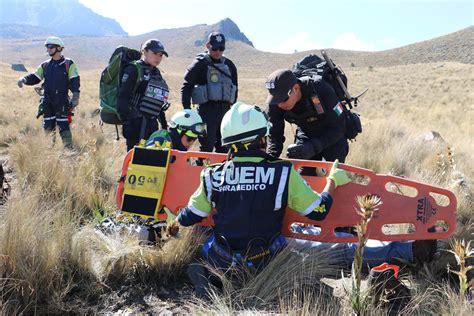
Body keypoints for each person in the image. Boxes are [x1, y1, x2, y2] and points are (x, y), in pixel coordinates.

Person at [172, 102, 436, 297]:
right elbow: (319, 211)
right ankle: (407, 248)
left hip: (222, 256)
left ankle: (217, 277)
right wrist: (332, 181)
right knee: (340, 248)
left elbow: (189, 216)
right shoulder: (282, 173)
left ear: (229, 143)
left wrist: (173, 220)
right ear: (262, 139)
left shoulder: (212, 176)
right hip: (269, 259)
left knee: (206, 235)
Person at [264, 69, 348, 173]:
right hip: (306, 134)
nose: (279, 104)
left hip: (332, 134)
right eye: (275, 100)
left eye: (283, 99)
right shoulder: (275, 104)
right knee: (303, 178)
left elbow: (340, 127)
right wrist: (269, 162)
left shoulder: (320, 89)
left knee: (335, 177)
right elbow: (275, 137)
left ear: (296, 88)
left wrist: (313, 147)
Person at [17, 36, 80, 148]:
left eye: (51, 46)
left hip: (61, 100)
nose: (48, 49)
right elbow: (35, 77)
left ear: (59, 48)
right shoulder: (45, 65)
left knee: (63, 125)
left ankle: (69, 151)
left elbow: (75, 81)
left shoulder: (68, 64)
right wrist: (24, 79)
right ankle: (49, 152)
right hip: (47, 101)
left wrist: (75, 97)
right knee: (48, 127)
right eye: (47, 47)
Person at [181, 31, 238, 153]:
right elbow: (186, 86)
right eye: (214, 48)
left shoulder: (229, 65)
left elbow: (234, 87)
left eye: (221, 48)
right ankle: (201, 170)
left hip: (225, 112)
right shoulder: (199, 64)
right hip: (206, 112)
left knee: (225, 147)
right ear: (207, 46)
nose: (217, 52)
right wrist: (187, 111)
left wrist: (232, 111)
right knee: (206, 147)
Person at [117, 39, 170, 151]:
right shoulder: (133, 69)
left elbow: (157, 101)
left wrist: (164, 126)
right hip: (135, 124)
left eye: (160, 55)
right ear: (144, 51)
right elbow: (123, 97)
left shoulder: (156, 73)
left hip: (152, 124)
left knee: (150, 158)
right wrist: (127, 123)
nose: (158, 57)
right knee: (133, 159)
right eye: (155, 53)